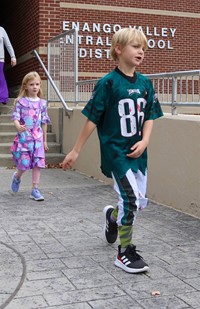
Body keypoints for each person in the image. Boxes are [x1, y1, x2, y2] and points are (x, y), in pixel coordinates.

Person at [61, 28, 163, 273]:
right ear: (118, 49)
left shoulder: (145, 83)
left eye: (143, 48)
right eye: (136, 47)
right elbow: (92, 119)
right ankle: (125, 251)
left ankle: (112, 217)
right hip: (116, 153)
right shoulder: (107, 83)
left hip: (138, 154)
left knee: (137, 202)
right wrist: (75, 151)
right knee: (130, 200)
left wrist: (146, 141)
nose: (141, 52)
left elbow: (150, 114)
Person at [10, 71, 50, 201]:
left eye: (37, 84)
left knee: (38, 164)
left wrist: (44, 140)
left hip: (37, 139)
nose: (35, 87)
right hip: (25, 138)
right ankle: (17, 177)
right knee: (24, 164)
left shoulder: (42, 103)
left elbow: (44, 122)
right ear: (25, 86)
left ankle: (35, 189)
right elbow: (15, 117)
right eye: (32, 84)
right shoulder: (21, 102)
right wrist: (18, 126)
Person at [0, 26, 16, 104]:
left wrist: (13, 57)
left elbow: (8, 44)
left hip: (0, 59)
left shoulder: (1, 30)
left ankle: (3, 97)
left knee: (0, 77)